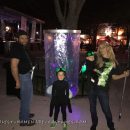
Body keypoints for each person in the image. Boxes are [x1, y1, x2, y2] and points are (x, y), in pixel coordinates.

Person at [88, 41, 129, 130]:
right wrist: (89, 60)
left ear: (108, 48)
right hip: (92, 88)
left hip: (103, 90)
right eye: (100, 47)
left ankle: (110, 125)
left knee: (106, 109)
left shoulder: (113, 63)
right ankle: (94, 124)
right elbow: (88, 67)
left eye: (103, 47)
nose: (101, 49)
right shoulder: (96, 58)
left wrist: (124, 75)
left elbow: (114, 77)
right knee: (92, 108)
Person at [10, 30, 35, 126]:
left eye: (26, 38)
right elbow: (13, 66)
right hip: (23, 76)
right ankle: (24, 120)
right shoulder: (17, 48)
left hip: (26, 75)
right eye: (22, 38)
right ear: (17, 38)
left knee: (25, 97)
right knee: (26, 98)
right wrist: (17, 81)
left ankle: (24, 114)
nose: (24, 40)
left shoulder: (22, 47)